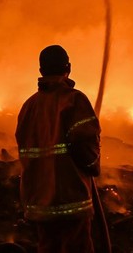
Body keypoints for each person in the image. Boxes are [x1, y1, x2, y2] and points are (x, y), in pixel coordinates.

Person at [15, 45, 102, 253]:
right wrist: (93, 166)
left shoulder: (28, 107)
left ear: (41, 71)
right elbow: (86, 143)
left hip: (39, 201)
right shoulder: (74, 100)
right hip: (71, 198)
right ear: (68, 67)